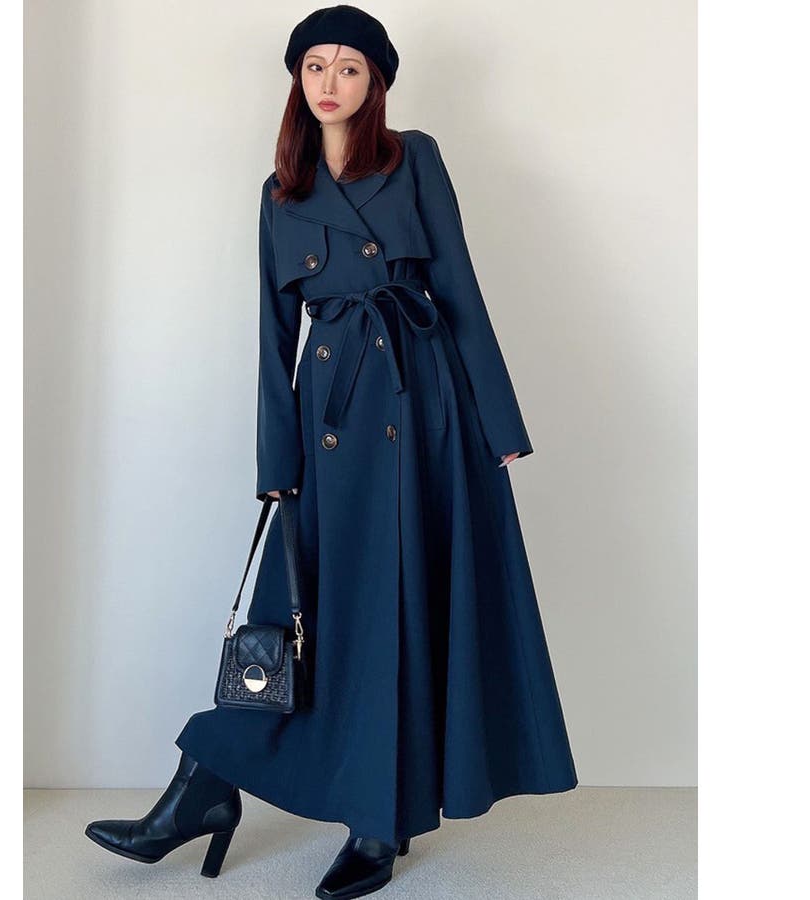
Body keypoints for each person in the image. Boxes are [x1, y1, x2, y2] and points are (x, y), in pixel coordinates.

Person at [85, 5, 578, 898]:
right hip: (329, 420)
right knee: (299, 617)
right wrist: (277, 469)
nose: (330, 82)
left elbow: (459, 287)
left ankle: (377, 823)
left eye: (350, 68)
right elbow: (274, 337)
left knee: (397, 610)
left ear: (375, 82)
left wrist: (498, 428)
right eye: (316, 65)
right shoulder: (280, 191)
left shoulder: (414, 157)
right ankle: (204, 784)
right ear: (297, 79)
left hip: (421, 409)